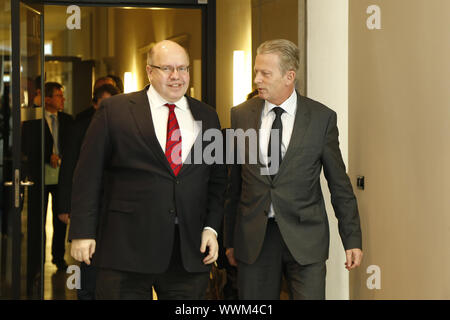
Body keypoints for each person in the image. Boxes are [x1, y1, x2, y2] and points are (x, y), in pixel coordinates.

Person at [68, 40, 226, 300]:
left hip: (187, 252)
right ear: (149, 71)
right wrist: (82, 231)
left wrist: (212, 228)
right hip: (126, 249)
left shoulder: (207, 115)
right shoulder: (115, 111)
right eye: (167, 68)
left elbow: (217, 181)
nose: (177, 76)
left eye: (183, 69)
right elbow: (88, 175)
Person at [224, 39, 363, 300]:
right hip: (255, 239)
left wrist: (352, 238)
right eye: (256, 72)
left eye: (265, 73)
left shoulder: (321, 119)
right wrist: (229, 239)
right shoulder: (240, 115)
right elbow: (235, 185)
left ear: (289, 76)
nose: (257, 79)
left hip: (305, 238)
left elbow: (339, 185)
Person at [57, 83, 119, 300]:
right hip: (89, 208)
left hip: (114, 209)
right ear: (94, 104)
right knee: (86, 265)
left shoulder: (125, 129)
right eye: (103, 104)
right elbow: (69, 170)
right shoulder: (80, 128)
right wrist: (64, 207)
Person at [22, 82, 74, 286]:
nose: (63, 99)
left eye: (62, 95)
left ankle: (58, 257)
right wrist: (47, 156)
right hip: (40, 176)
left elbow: (72, 145)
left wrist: (62, 157)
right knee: (38, 220)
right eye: (59, 96)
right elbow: (27, 147)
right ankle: (37, 261)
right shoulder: (33, 121)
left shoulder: (68, 120)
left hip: (62, 176)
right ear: (47, 99)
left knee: (61, 218)